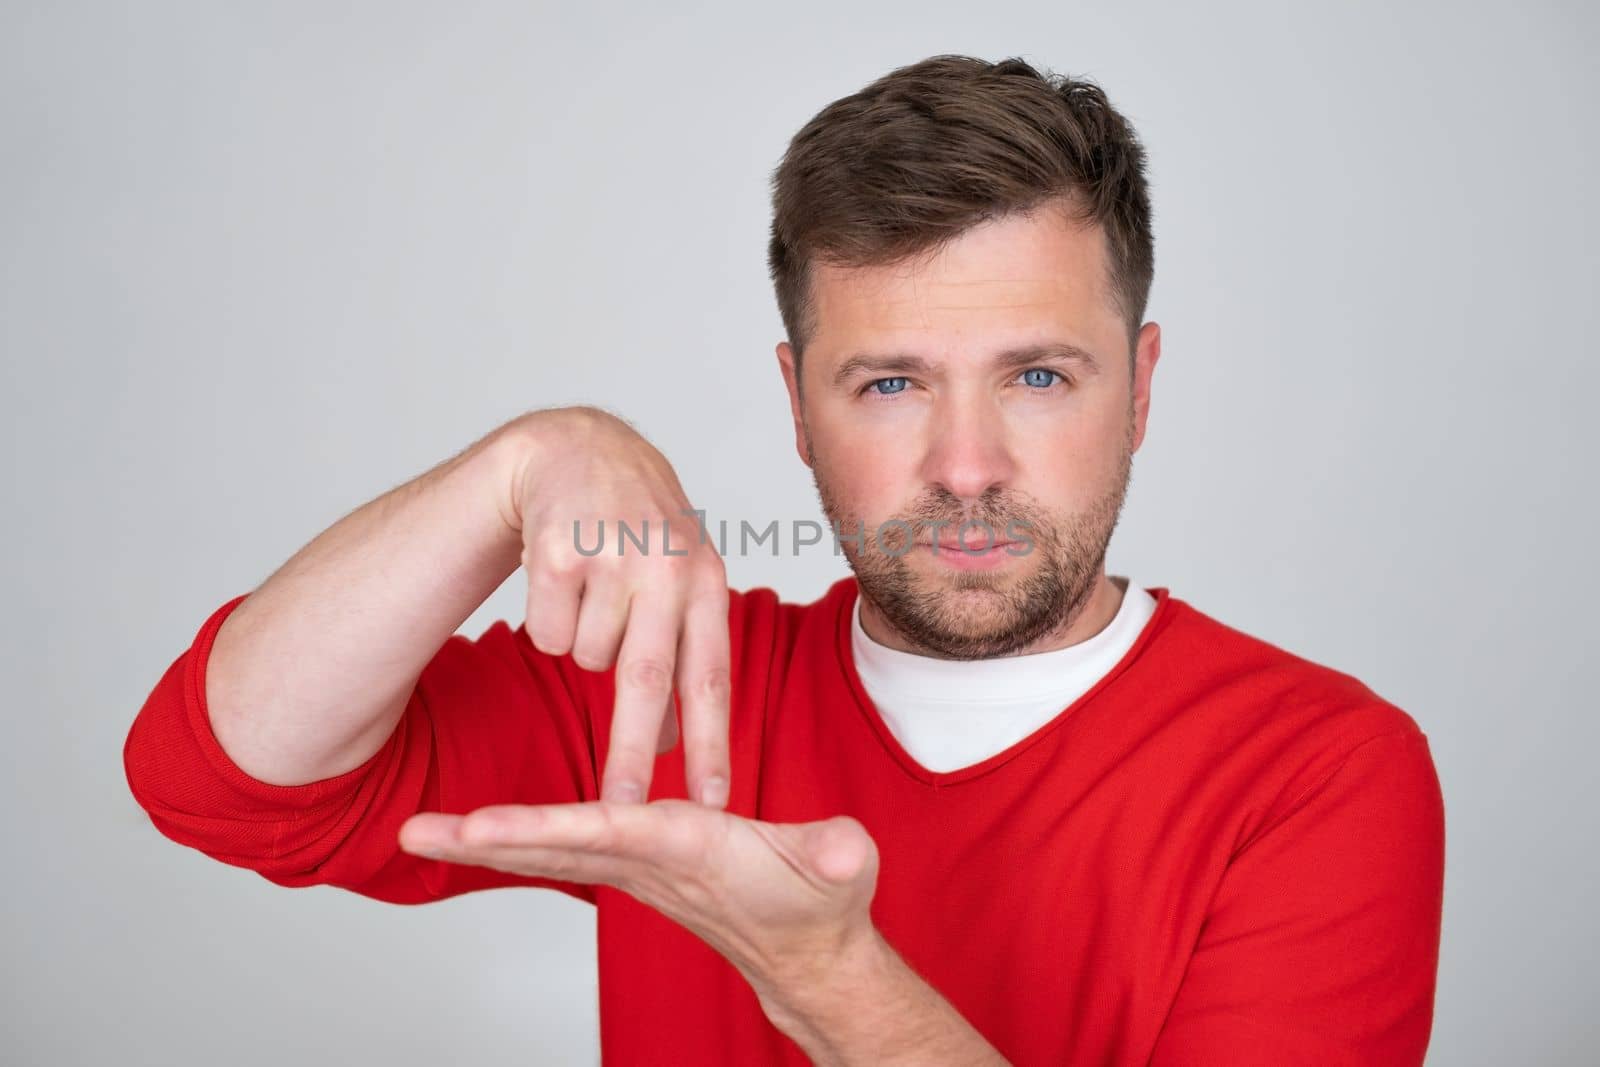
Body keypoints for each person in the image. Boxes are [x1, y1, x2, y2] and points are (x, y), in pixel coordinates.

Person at [122, 54, 1445, 1066]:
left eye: (1040, 376)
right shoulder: (669, 684)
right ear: (799, 406)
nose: (967, 465)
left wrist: (825, 976)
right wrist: (523, 463)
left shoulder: (1318, 771)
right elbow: (222, 776)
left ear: (1141, 390)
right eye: (888, 385)